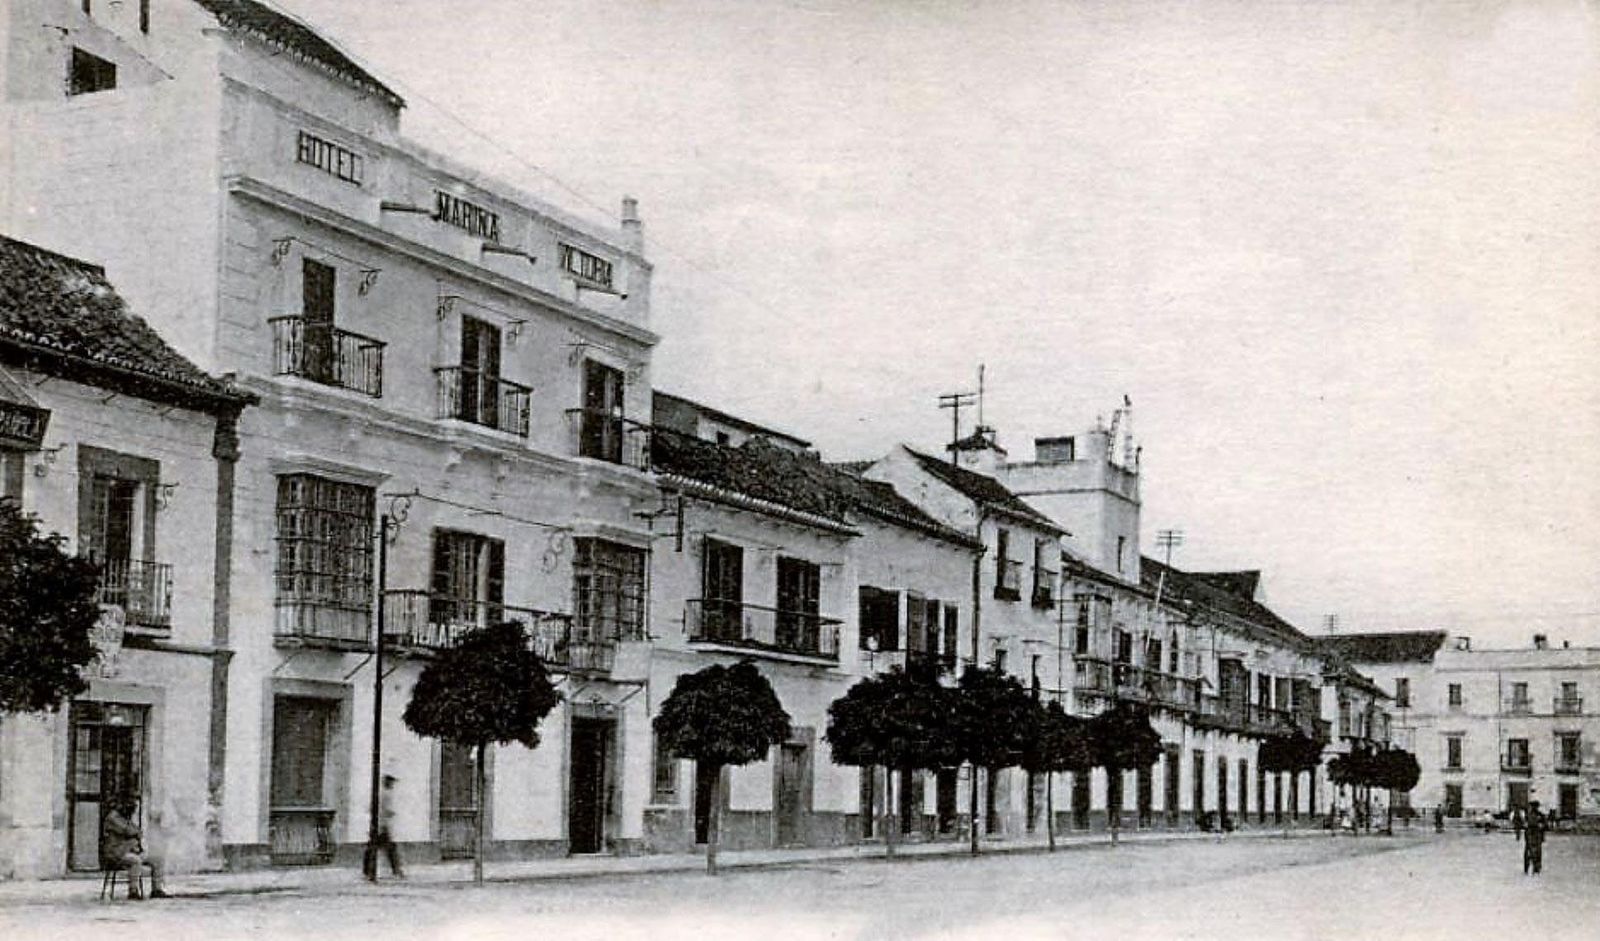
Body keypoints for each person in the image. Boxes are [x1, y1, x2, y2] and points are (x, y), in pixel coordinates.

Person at [101, 796, 167, 900]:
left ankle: (157, 889)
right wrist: (135, 833)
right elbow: (128, 830)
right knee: (135, 861)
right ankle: (133, 891)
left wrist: (135, 833)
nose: (132, 811)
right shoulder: (112, 818)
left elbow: (137, 831)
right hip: (116, 853)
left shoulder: (125, 818)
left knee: (157, 859)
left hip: (129, 850)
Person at [365, 774, 404, 880]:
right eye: (391, 783)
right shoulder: (386, 795)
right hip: (382, 825)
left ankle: (367, 871)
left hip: (377, 825)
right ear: (387, 783)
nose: (392, 785)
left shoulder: (378, 793)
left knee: (372, 847)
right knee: (390, 848)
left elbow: (371, 808)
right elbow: (386, 810)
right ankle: (396, 870)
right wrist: (391, 813)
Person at [1523, 801, 1547, 875]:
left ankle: (1537, 867)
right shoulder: (1527, 815)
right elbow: (1525, 824)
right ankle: (1526, 868)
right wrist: (1526, 826)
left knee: (1538, 852)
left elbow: (1545, 825)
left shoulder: (1541, 815)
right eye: (1532, 806)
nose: (1533, 808)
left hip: (1537, 834)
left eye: (1535, 806)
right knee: (1527, 852)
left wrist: (1542, 826)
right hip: (1530, 834)